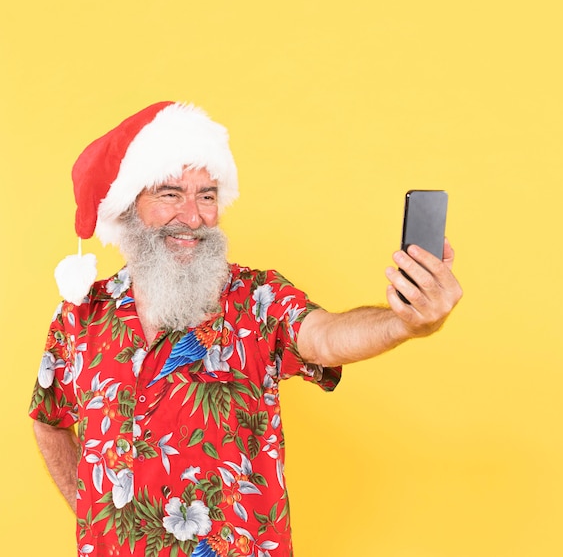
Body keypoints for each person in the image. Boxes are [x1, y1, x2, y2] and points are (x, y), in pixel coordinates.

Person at [29, 101, 462, 557]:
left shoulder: (257, 299)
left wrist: (404, 322)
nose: (194, 218)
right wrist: (95, 516)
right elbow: (48, 420)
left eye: (207, 196)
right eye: (171, 194)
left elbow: (326, 337)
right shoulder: (81, 317)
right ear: (130, 206)